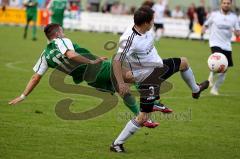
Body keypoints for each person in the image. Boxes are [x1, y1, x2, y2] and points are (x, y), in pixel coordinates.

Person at [8, 23, 170, 127]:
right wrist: (91, 62)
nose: (64, 33)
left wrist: (23, 95)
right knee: (131, 72)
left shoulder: (45, 55)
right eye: (62, 32)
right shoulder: (61, 41)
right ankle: (153, 101)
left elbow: (35, 77)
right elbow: (71, 55)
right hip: (97, 68)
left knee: (124, 89)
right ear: (57, 34)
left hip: (91, 80)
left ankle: (142, 117)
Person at [110, 6, 209, 152]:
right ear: (145, 23)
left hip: (158, 68)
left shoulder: (146, 30)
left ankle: (196, 90)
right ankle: (116, 144)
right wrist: (120, 82)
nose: (153, 23)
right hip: (148, 78)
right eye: (152, 21)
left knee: (183, 62)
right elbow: (117, 61)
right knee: (143, 117)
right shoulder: (129, 39)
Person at [202, 0, 240, 95]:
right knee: (217, 60)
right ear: (221, 4)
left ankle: (215, 89)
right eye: (224, 3)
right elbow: (206, 24)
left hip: (227, 45)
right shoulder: (214, 15)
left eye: (228, 3)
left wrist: (236, 32)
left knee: (224, 69)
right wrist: (204, 29)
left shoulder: (234, 17)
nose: (226, 5)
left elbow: (237, 31)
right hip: (215, 42)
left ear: (231, 4)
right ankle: (210, 77)